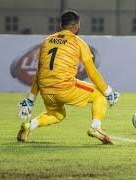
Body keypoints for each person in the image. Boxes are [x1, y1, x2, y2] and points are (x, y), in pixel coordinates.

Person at [17, 10, 119, 144]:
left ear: (61, 25)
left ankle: (29, 125)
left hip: (45, 90)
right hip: (64, 87)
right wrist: (108, 92)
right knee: (99, 95)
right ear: (76, 26)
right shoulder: (78, 42)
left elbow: (39, 71)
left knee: (57, 114)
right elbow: (92, 73)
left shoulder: (47, 41)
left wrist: (30, 99)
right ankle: (96, 128)